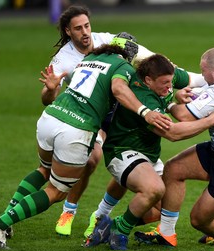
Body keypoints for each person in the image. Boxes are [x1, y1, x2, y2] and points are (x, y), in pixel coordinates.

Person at [0, 39, 172, 250]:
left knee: (44, 170)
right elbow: (119, 89)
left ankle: (9, 212)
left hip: (51, 117)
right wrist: (145, 112)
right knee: (56, 191)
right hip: (75, 129)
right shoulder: (123, 67)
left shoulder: (90, 58)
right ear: (130, 55)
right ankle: (1, 224)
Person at [85, 54, 214, 250]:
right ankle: (119, 232)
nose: (169, 86)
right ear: (148, 80)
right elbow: (172, 133)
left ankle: (110, 225)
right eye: (164, 83)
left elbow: (200, 78)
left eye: (171, 82)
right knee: (154, 189)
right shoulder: (142, 97)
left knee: (159, 210)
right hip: (122, 152)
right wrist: (210, 120)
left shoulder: (164, 75)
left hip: (148, 156)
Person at [39, 5, 156, 237]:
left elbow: (147, 58)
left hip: (119, 114)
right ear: (68, 32)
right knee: (91, 161)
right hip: (88, 116)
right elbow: (46, 97)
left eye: (87, 26)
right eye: (78, 28)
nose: (85, 32)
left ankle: (101, 214)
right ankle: (69, 210)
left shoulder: (105, 40)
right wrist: (50, 91)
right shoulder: (63, 58)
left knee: (126, 167)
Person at [134, 47, 214, 247]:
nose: (201, 75)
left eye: (203, 71)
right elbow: (205, 93)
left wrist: (167, 102)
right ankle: (166, 234)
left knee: (199, 220)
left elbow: (184, 116)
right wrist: (185, 94)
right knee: (174, 169)